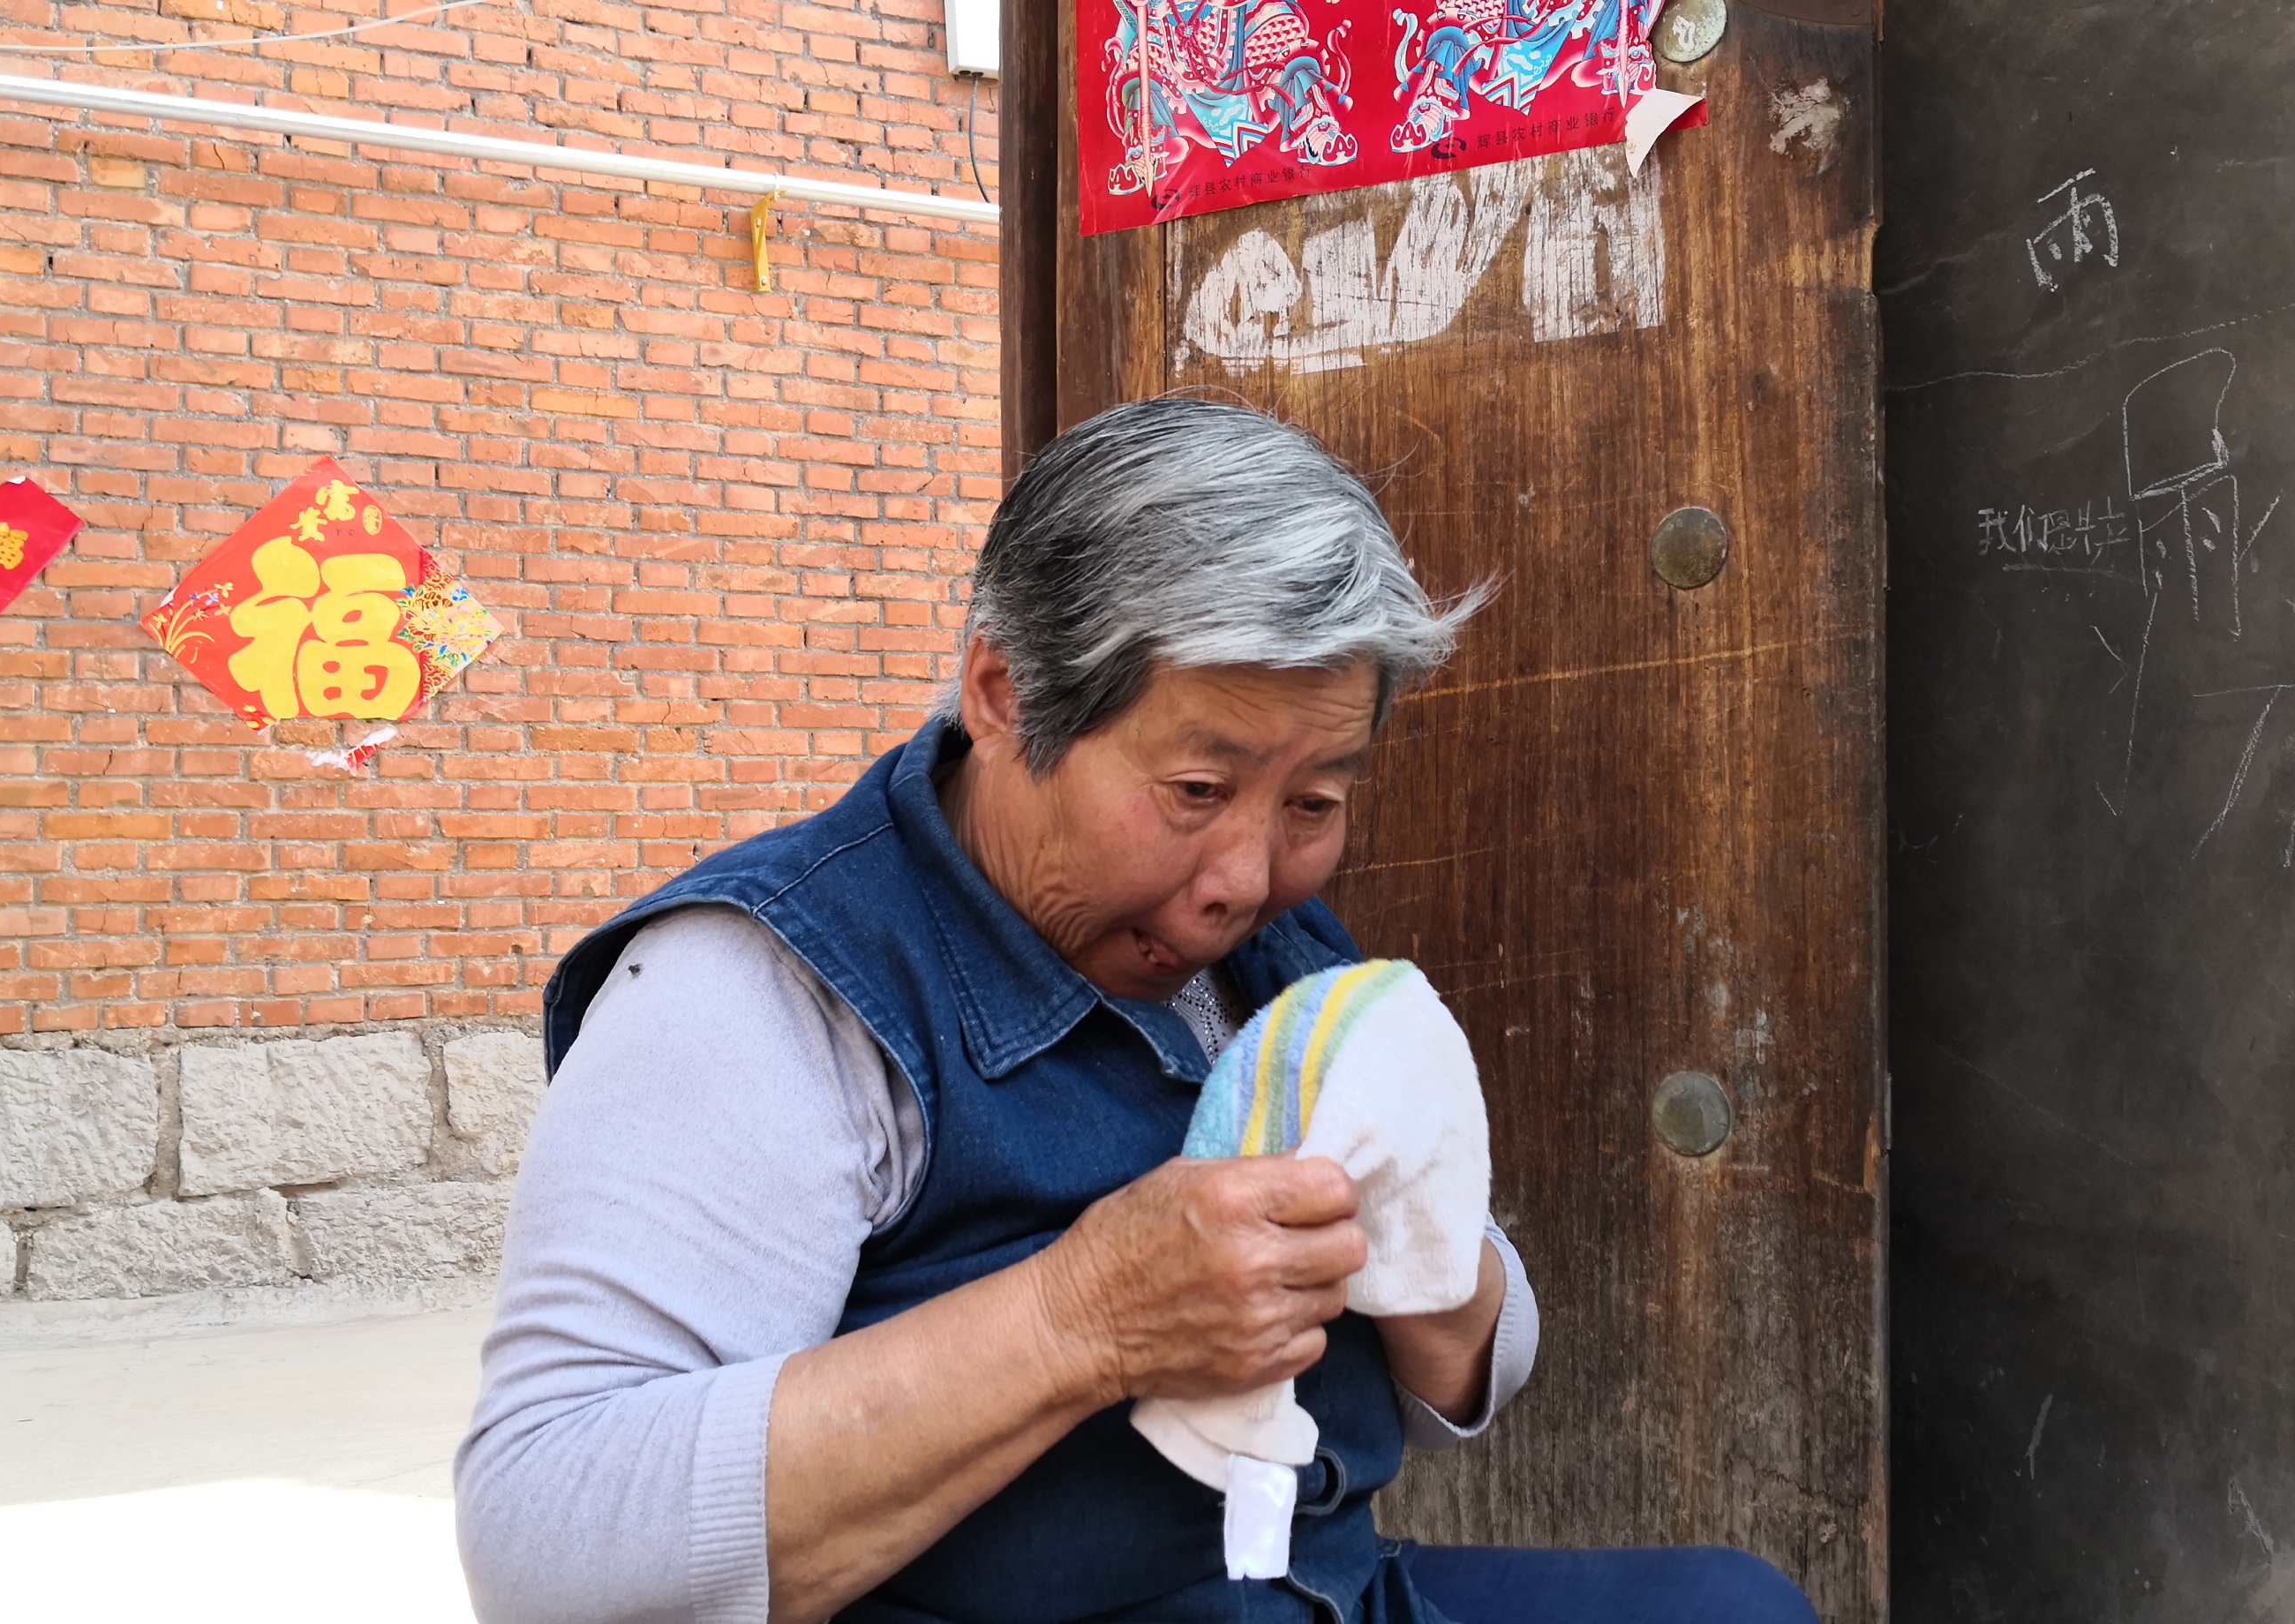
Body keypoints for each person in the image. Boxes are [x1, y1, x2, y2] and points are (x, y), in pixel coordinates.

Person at [455, 396, 1818, 1624]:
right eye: (1196, 791)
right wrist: (1081, 1319)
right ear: (1004, 693)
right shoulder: (761, 991)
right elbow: (547, 1544)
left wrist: (1427, 1231)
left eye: (1316, 803)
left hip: (1313, 1592)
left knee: (1730, 1609)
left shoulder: (1274, 949)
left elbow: (1471, 1366)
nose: (1244, 878)